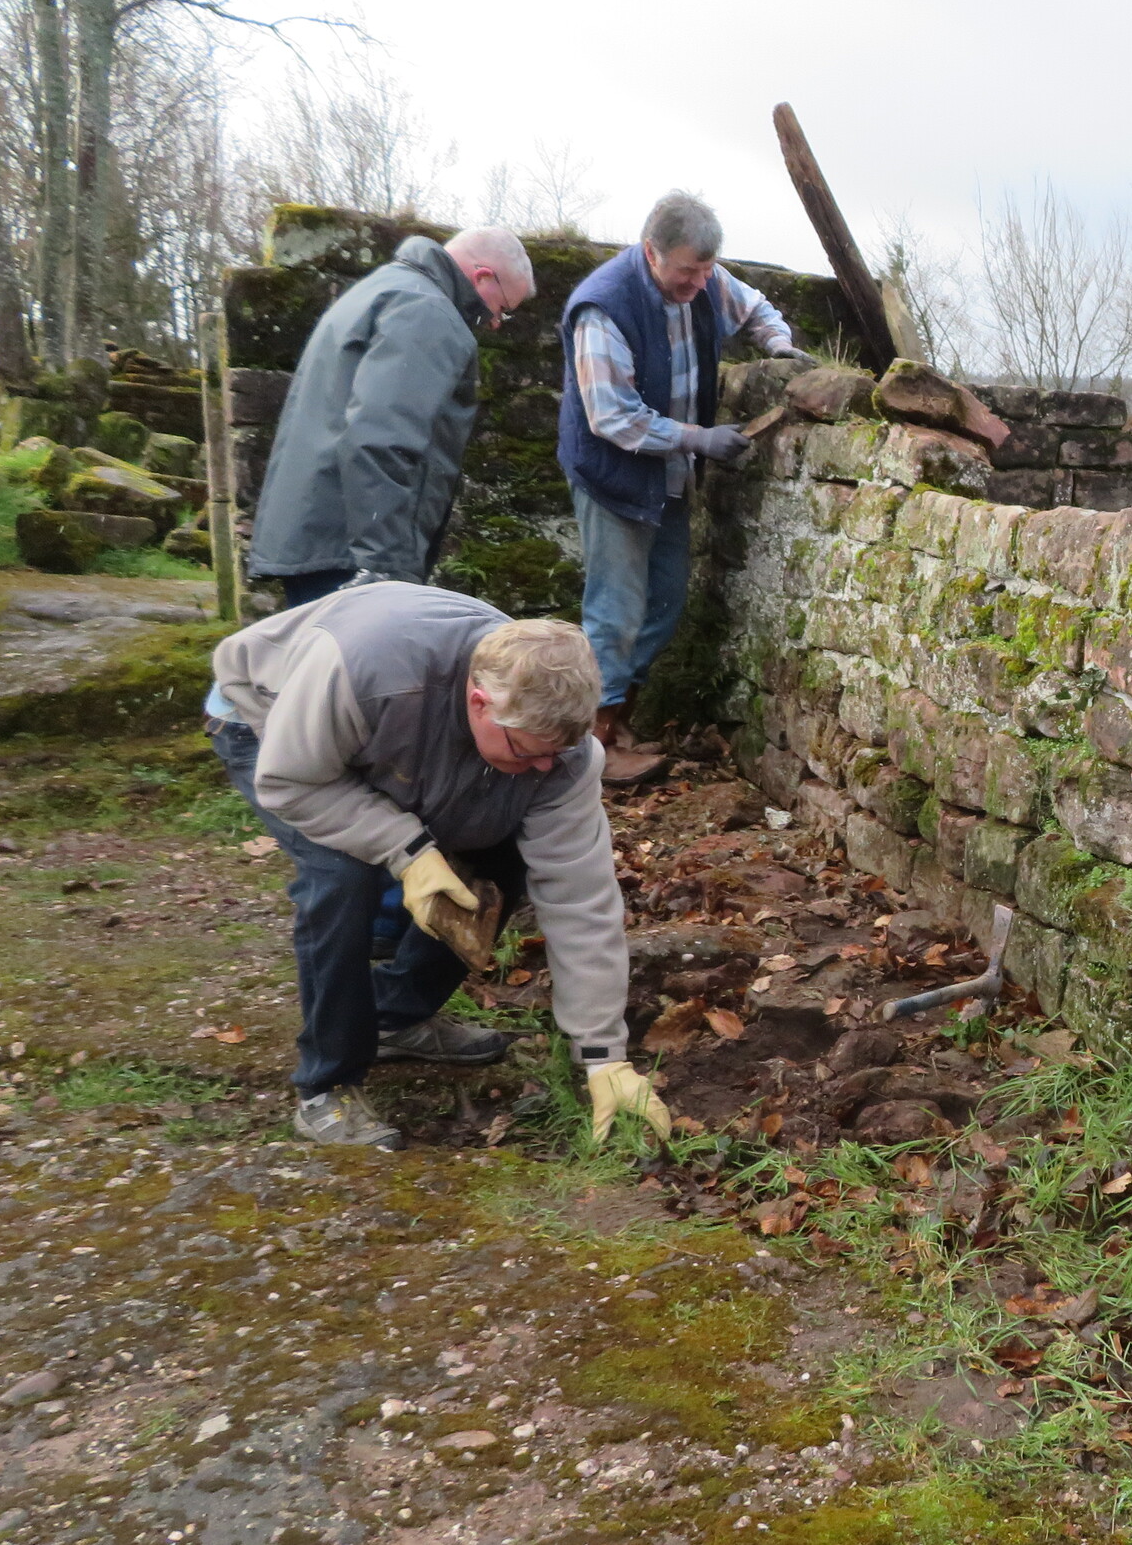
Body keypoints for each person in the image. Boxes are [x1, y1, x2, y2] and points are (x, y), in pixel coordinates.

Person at [204, 581, 670, 1152]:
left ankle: (396, 1019)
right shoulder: (367, 672)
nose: (546, 767)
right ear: (480, 703)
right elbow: (292, 782)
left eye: (558, 753)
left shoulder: (557, 754)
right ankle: (327, 1085)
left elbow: (580, 896)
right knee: (341, 876)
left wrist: (603, 1056)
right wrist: (408, 851)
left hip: (398, 731)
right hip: (273, 723)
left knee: (504, 856)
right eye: (530, 752)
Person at [560, 191, 813, 780]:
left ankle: (620, 717)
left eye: (706, 270)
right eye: (686, 271)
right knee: (615, 612)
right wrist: (698, 438)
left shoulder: (704, 279)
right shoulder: (604, 307)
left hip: (668, 477)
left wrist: (778, 344)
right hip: (614, 478)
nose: (699, 283)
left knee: (666, 602)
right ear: (651, 252)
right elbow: (611, 416)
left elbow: (755, 309)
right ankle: (592, 747)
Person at [248, 227, 536, 605]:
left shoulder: (382, 288)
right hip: (353, 555)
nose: (496, 322)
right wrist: (385, 567)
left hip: (322, 535)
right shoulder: (428, 312)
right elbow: (383, 436)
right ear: (483, 277)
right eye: (503, 309)